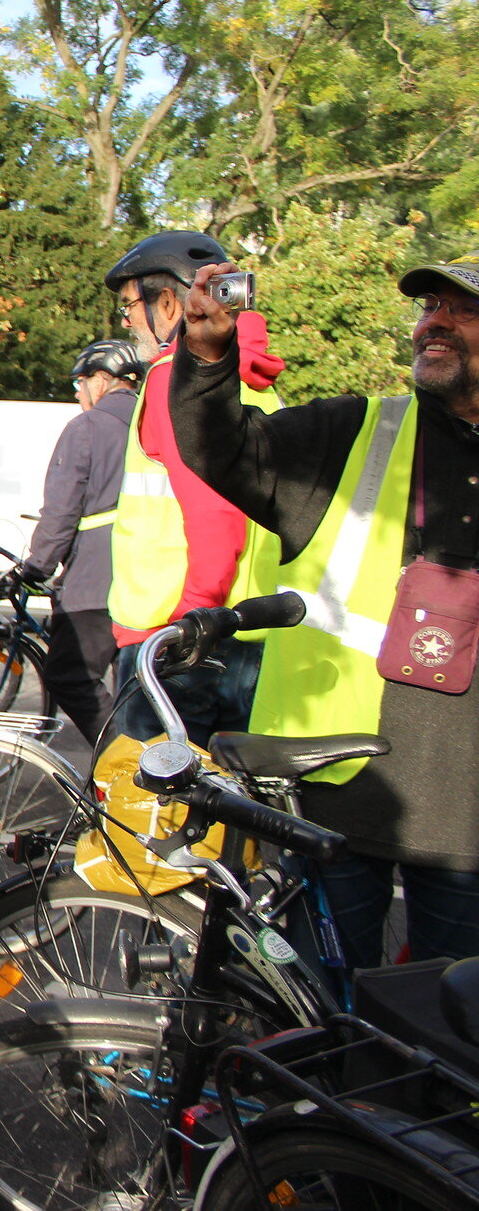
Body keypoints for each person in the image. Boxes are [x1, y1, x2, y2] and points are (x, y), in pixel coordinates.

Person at [172, 253, 479, 968]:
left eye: (458, 309)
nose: (431, 322)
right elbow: (220, 450)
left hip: (466, 811)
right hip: (333, 787)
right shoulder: (357, 434)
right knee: (313, 1017)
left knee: (443, 1032)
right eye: (427, 307)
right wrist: (206, 353)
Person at [104, 231, 285, 746]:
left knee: (150, 815)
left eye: (129, 306)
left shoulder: (174, 377)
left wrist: (191, 619)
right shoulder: (250, 380)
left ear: (166, 303)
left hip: (181, 632)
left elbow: (214, 509)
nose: (128, 321)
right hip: (243, 625)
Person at [20, 341, 145, 746]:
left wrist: (36, 566)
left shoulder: (87, 428)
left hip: (95, 581)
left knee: (70, 676)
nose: (77, 392)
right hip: (149, 580)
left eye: (81, 381)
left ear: (103, 380)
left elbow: (61, 510)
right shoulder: (155, 424)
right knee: (135, 688)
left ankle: (121, 761)